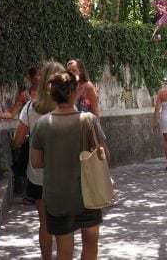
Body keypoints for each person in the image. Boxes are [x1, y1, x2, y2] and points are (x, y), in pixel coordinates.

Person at [31, 70, 109, 260]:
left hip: (57, 196)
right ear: (74, 92)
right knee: (90, 243)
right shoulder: (88, 120)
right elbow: (104, 154)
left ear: (53, 94)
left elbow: (36, 162)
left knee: (64, 251)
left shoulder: (42, 124)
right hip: (87, 193)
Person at [13, 60, 62, 259]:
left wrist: (31, 136)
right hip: (63, 174)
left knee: (45, 222)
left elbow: (17, 140)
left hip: (38, 173)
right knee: (62, 222)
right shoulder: (66, 107)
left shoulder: (30, 107)